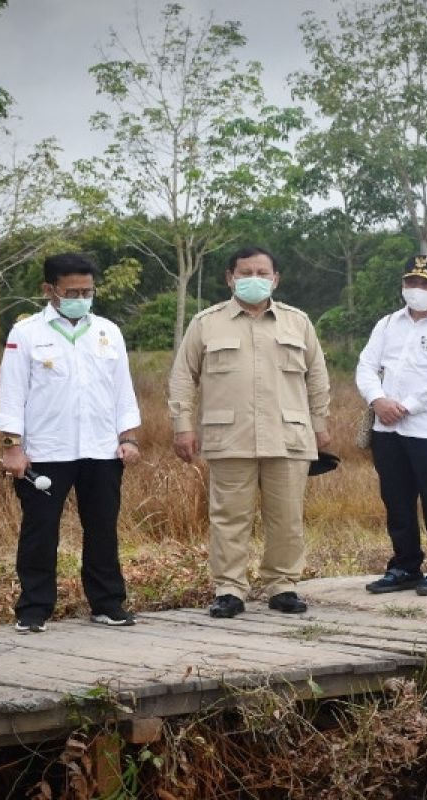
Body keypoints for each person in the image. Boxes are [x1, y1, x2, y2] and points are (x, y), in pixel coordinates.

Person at [169, 246, 331, 619]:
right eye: (245, 272)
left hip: (287, 435)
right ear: (230, 278)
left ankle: (283, 585)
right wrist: (182, 426)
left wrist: (319, 424)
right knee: (229, 516)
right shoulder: (206, 323)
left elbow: (318, 377)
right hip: (229, 436)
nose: (254, 279)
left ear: (275, 278)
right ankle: (229, 589)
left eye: (262, 272)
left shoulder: (298, 322)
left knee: (287, 516)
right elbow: (182, 377)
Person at [0, 253, 142, 632]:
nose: (80, 297)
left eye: (87, 291)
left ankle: (107, 603)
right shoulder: (26, 333)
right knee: (40, 531)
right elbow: (12, 394)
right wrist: (13, 445)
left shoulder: (108, 331)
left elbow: (122, 389)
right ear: (49, 290)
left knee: (103, 528)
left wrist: (128, 437)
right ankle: (34, 608)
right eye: (71, 291)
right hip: (46, 450)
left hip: (101, 449)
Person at [356, 255, 427, 597]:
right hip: (388, 429)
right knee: (396, 500)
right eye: (411, 282)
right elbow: (366, 365)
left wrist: (407, 406)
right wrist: (378, 400)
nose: (417, 290)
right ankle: (405, 565)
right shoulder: (389, 324)